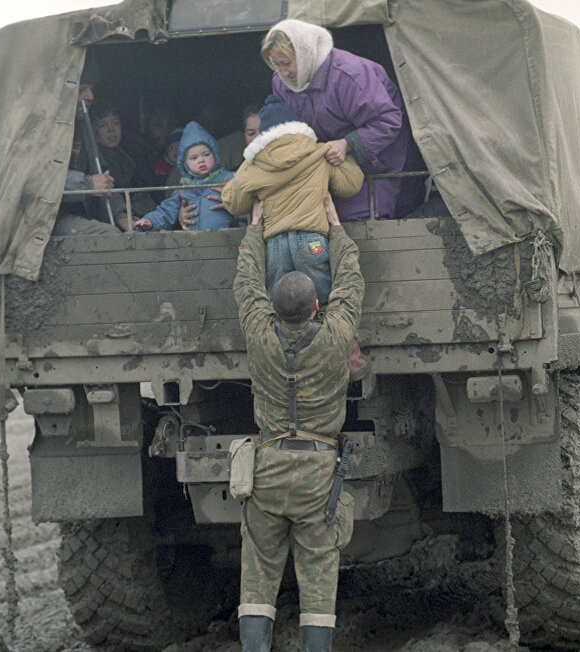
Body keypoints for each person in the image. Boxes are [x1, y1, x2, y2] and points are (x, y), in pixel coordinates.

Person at [232, 195, 360, 652]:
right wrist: (335, 226)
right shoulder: (337, 333)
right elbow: (350, 278)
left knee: (259, 570)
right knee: (319, 571)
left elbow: (246, 280)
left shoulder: (258, 332)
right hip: (318, 474)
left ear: (271, 305)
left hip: (265, 470)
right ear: (316, 306)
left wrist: (255, 228)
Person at [260, 19, 418, 222]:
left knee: (361, 222)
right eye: (276, 64)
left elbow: (388, 120)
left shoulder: (350, 75)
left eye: (287, 63)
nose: (283, 72)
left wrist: (347, 144)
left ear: (305, 54)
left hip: (376, 164)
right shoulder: (281, 83)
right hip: (326, 166)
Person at [221, 95, 363, 304]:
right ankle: (324, 333)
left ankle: (284, 336)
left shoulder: (254, 165)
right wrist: (342, 152)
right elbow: (351, 185)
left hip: (276, 246)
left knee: (279, 306)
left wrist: (245, 167)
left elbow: (233, 203)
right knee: (323, 301)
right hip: (311, 241)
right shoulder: (317, 153)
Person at [53, 61, 128, 235]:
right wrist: (88, 183)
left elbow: (103, 176)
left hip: (79, 214)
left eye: (91, 89)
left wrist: (122, 216)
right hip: (46, 218)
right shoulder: (42, 129)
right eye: (82, 89)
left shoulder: (83, 127)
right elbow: (39, 180)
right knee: (110, 236)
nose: (90, 96)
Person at [134, 121, 235, 231]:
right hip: (192, 244)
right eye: (193, 157)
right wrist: (150, 221)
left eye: (206, 154)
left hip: (226, 241)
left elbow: (247, 201)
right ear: (184, 164)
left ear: (215, 155)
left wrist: (236, 202)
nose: (201, 160)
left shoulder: (229, 179)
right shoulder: (183, 189)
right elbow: (166, 212)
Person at [218, 102, 264, 171]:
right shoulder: (236, 174)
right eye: (251, 133)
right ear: (244, 136)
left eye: (264, 131)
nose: (258, 137)